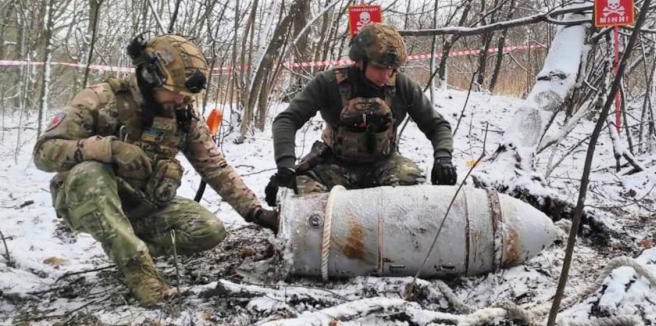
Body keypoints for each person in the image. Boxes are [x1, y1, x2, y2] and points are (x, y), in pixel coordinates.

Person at [33, 34, 278, 307]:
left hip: (142, 203)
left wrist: (255, 212)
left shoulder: (182, 115)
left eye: (187, 95)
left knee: (209, 230)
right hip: (85, 199)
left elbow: (215, 167)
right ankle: (138, 270)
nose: (183, 100)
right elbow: (44, 152)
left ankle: (123, 245)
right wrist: (108, 149)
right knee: (90, 172)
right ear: (151, 77)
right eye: (177, 92)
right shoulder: (102, 100)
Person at [266, 23, 457, 204]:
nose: (385, 76)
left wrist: (443, 158)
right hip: (334, 163)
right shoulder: (329, 83)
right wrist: (286, 165)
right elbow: (286, 120)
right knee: (305, 200)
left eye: (391, 69)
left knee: (412, 197)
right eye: (378, 68)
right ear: (359, 62)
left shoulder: (402, 86)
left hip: (384, 163)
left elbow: (437, 125)